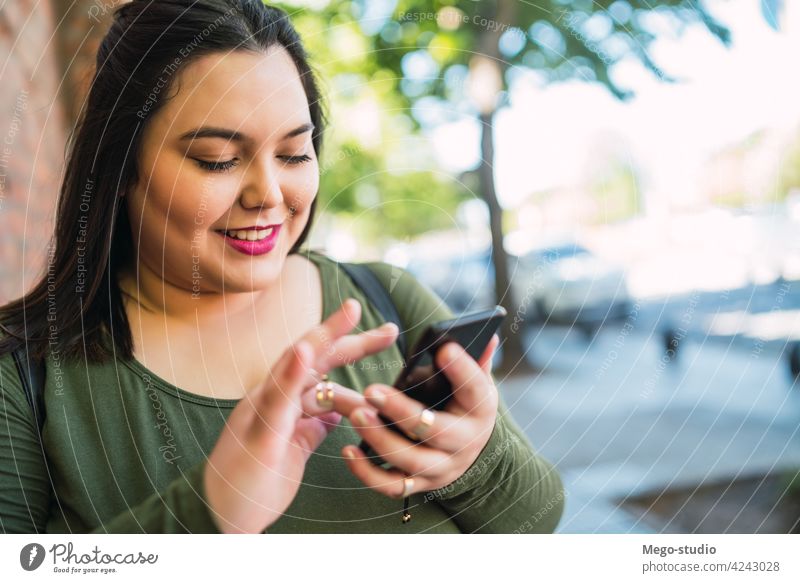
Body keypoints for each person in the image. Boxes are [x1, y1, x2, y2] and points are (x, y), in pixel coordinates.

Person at [0, 0, 563, 534]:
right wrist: (213, 509)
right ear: (120, 165)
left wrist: (475, 461)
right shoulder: (23, 378)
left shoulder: (388, 297)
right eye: (216, 160)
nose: (268, 194)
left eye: (295, 153)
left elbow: (536, 519)